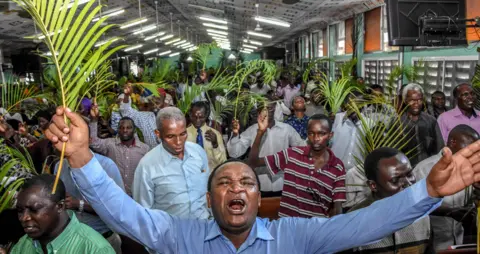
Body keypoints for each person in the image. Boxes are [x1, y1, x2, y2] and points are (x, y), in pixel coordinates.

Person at [43, 106, 480, 254]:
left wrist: (425, 192)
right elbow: (126, 214)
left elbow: (363, 224)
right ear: (210, 200)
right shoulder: (179, 235)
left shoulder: (294, 236)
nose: (236, 188)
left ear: (258, 196)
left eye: (248, 183)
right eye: (224, 183)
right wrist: (81, 158)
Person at [249, 113, 345, 218]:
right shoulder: (291, 155)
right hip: (288, 227)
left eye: (322, 133)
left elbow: (337, 207)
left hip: (317, 229)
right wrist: (260, 132)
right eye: (311, 133)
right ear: (307, 134)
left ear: (330, 135)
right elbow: (254, 162)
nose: (316, 138)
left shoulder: (337, 166)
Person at [343, 147, 434, 253]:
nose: (408, 184)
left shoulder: (422, 216)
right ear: (373, 185)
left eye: (409, 175)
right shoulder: (352, 224)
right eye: (395, 180)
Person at [132, 107, 210, 219]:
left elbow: (208, 192)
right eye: (170, 136)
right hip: (172, 234)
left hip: (205, 229)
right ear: (158, 134)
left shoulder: (198, 152)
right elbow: (143, 213)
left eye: (183, 134)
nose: (178, 142)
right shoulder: (146, 167)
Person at [9, 174, 114, 254]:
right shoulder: (23, 245)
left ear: (60, 206)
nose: (24, 218)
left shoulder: (94, 248)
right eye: (20, 210)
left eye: (34, 209)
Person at [414, 124, 479, 250]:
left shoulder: (469, 169)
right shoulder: (424, 169)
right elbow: (415, 206)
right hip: (433, 242)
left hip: (459, 241)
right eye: (470, 147)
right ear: (452, 142)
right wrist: (449, 211)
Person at [227, 99, 305, 192]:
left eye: (270, 108)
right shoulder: (252, 130)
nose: (267, 112)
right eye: (264, 109)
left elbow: (302, 148)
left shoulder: (286, 129)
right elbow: (234, 153)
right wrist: (235, 135)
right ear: (258, 111)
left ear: (275, 108)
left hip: (282, 182)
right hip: (260, 183)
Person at [55, 153, 125, 253]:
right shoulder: (59, 166)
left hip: (104, 238)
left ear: (88, 139)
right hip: (73, 242)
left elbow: (117, 209)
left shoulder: (106, 165)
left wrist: (79, 204)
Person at [89, 104, 150, 196]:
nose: (125, 130)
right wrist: (94, 120)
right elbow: (93, 142)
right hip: (114, 195)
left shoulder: (144, 149)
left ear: (134, 130)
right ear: (118, 130)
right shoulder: (110, 144)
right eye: (121, 128)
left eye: (128, 128)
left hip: (136, 196)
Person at [399, 83, 444, 166]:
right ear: (405, 100)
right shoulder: (398, 123)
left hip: (429, 169)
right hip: (407, 170)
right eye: (412, 100)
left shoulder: (431, 121)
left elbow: (439, 148)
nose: (416, 103)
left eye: (419, 100)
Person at [120, 83, 163, 149]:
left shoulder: (167, 115)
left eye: (159, 100)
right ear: (148, 102)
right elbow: (126, 111)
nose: (157, 104)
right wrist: (126, 96)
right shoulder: (143, 116)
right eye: (155, 100)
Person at [187, 101, 226, 171]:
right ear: (190, 115)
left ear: (206, 116)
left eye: (201, 117)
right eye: (194, 117)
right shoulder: (183, 134)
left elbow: (222, 162)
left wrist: (215, 144)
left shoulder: (216, 134)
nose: (197, 120)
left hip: (210, 177)